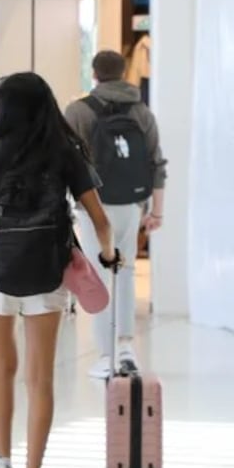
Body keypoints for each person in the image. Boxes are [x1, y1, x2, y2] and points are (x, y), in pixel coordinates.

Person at [0, 72, 116, 468]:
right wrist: (108, 252)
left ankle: (1, 467)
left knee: (3, 368)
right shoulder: (63, 152)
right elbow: (98, 217)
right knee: (40, 378)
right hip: (49, 275)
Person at [64, 50, 167, 379]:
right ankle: (125, 347)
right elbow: (156, 164)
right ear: (124, 73)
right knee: (124, 273)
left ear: (94, 75)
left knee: (97, 274)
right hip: (131, 205)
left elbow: (64, 161)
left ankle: (106, 355)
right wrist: (157, 212)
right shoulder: (141, 111)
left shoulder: (78, 111)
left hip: (93, 204)